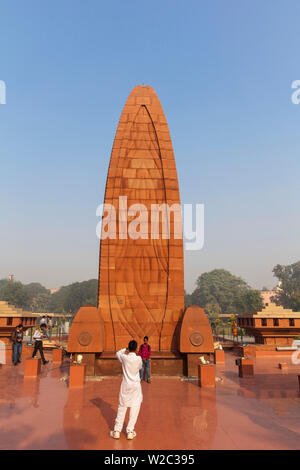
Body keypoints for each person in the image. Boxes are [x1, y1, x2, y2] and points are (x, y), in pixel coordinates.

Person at [110, 340, 142, 440]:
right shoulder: (138, 359)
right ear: (136, 348)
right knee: (135, 407)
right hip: (135, 385)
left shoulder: (124, 357)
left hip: (126, 385)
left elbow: (117, 353)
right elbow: (140, 368)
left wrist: (125, 349)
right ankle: (130, 431)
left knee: (122, 407)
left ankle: (117, 431)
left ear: (129, 348)